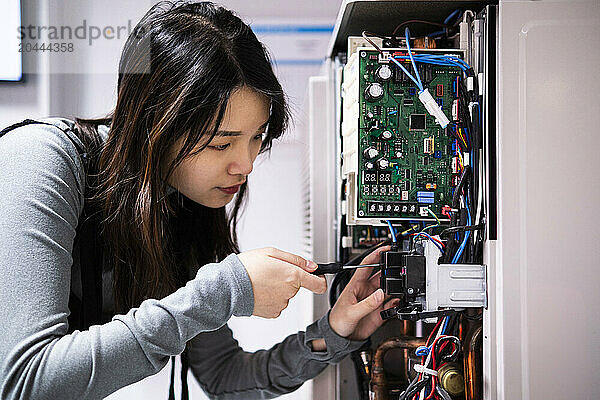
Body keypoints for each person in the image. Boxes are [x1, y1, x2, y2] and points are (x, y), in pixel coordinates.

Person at [0, 2, 398, 399]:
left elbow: (225, 378)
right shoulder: (40, 158)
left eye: (257, 137)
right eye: (221, 143)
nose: (245, 165)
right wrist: (221, 292)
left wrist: (334, 331)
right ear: (156, 125)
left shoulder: (180, 209)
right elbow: (25, 382)